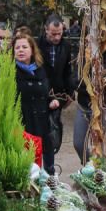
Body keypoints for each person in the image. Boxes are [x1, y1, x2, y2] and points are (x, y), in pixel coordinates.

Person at [73, 24, 106, 164]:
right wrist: (80, 83)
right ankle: (88, 168)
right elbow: (75, 77)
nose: (88, 40)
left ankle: (101, 175)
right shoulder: (82, 54)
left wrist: (100, 79)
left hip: (102, 106)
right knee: (78, 143)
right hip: (83, 104)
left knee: (102, 144)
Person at [14, 32, 58, 172]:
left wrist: (52, 100)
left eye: (24, 47)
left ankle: (51, 183)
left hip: (43, 121)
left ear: (32, 50)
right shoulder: (10, 71)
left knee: (49, 162)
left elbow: (46, 91)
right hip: (24, 123)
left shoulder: (40, 69)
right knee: (30, 164)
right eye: (17, 47)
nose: (20, 50)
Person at [37, 14, 73, 155]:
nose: (57, 37)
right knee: (40, 126)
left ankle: (51, 156)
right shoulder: (37, 45)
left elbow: (67, 71)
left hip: (58, 94)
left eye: (59, 33)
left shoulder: (66, 46)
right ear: (46, 30)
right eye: (53, 34)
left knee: (54, 126)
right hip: (40, 93)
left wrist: (70, 92)